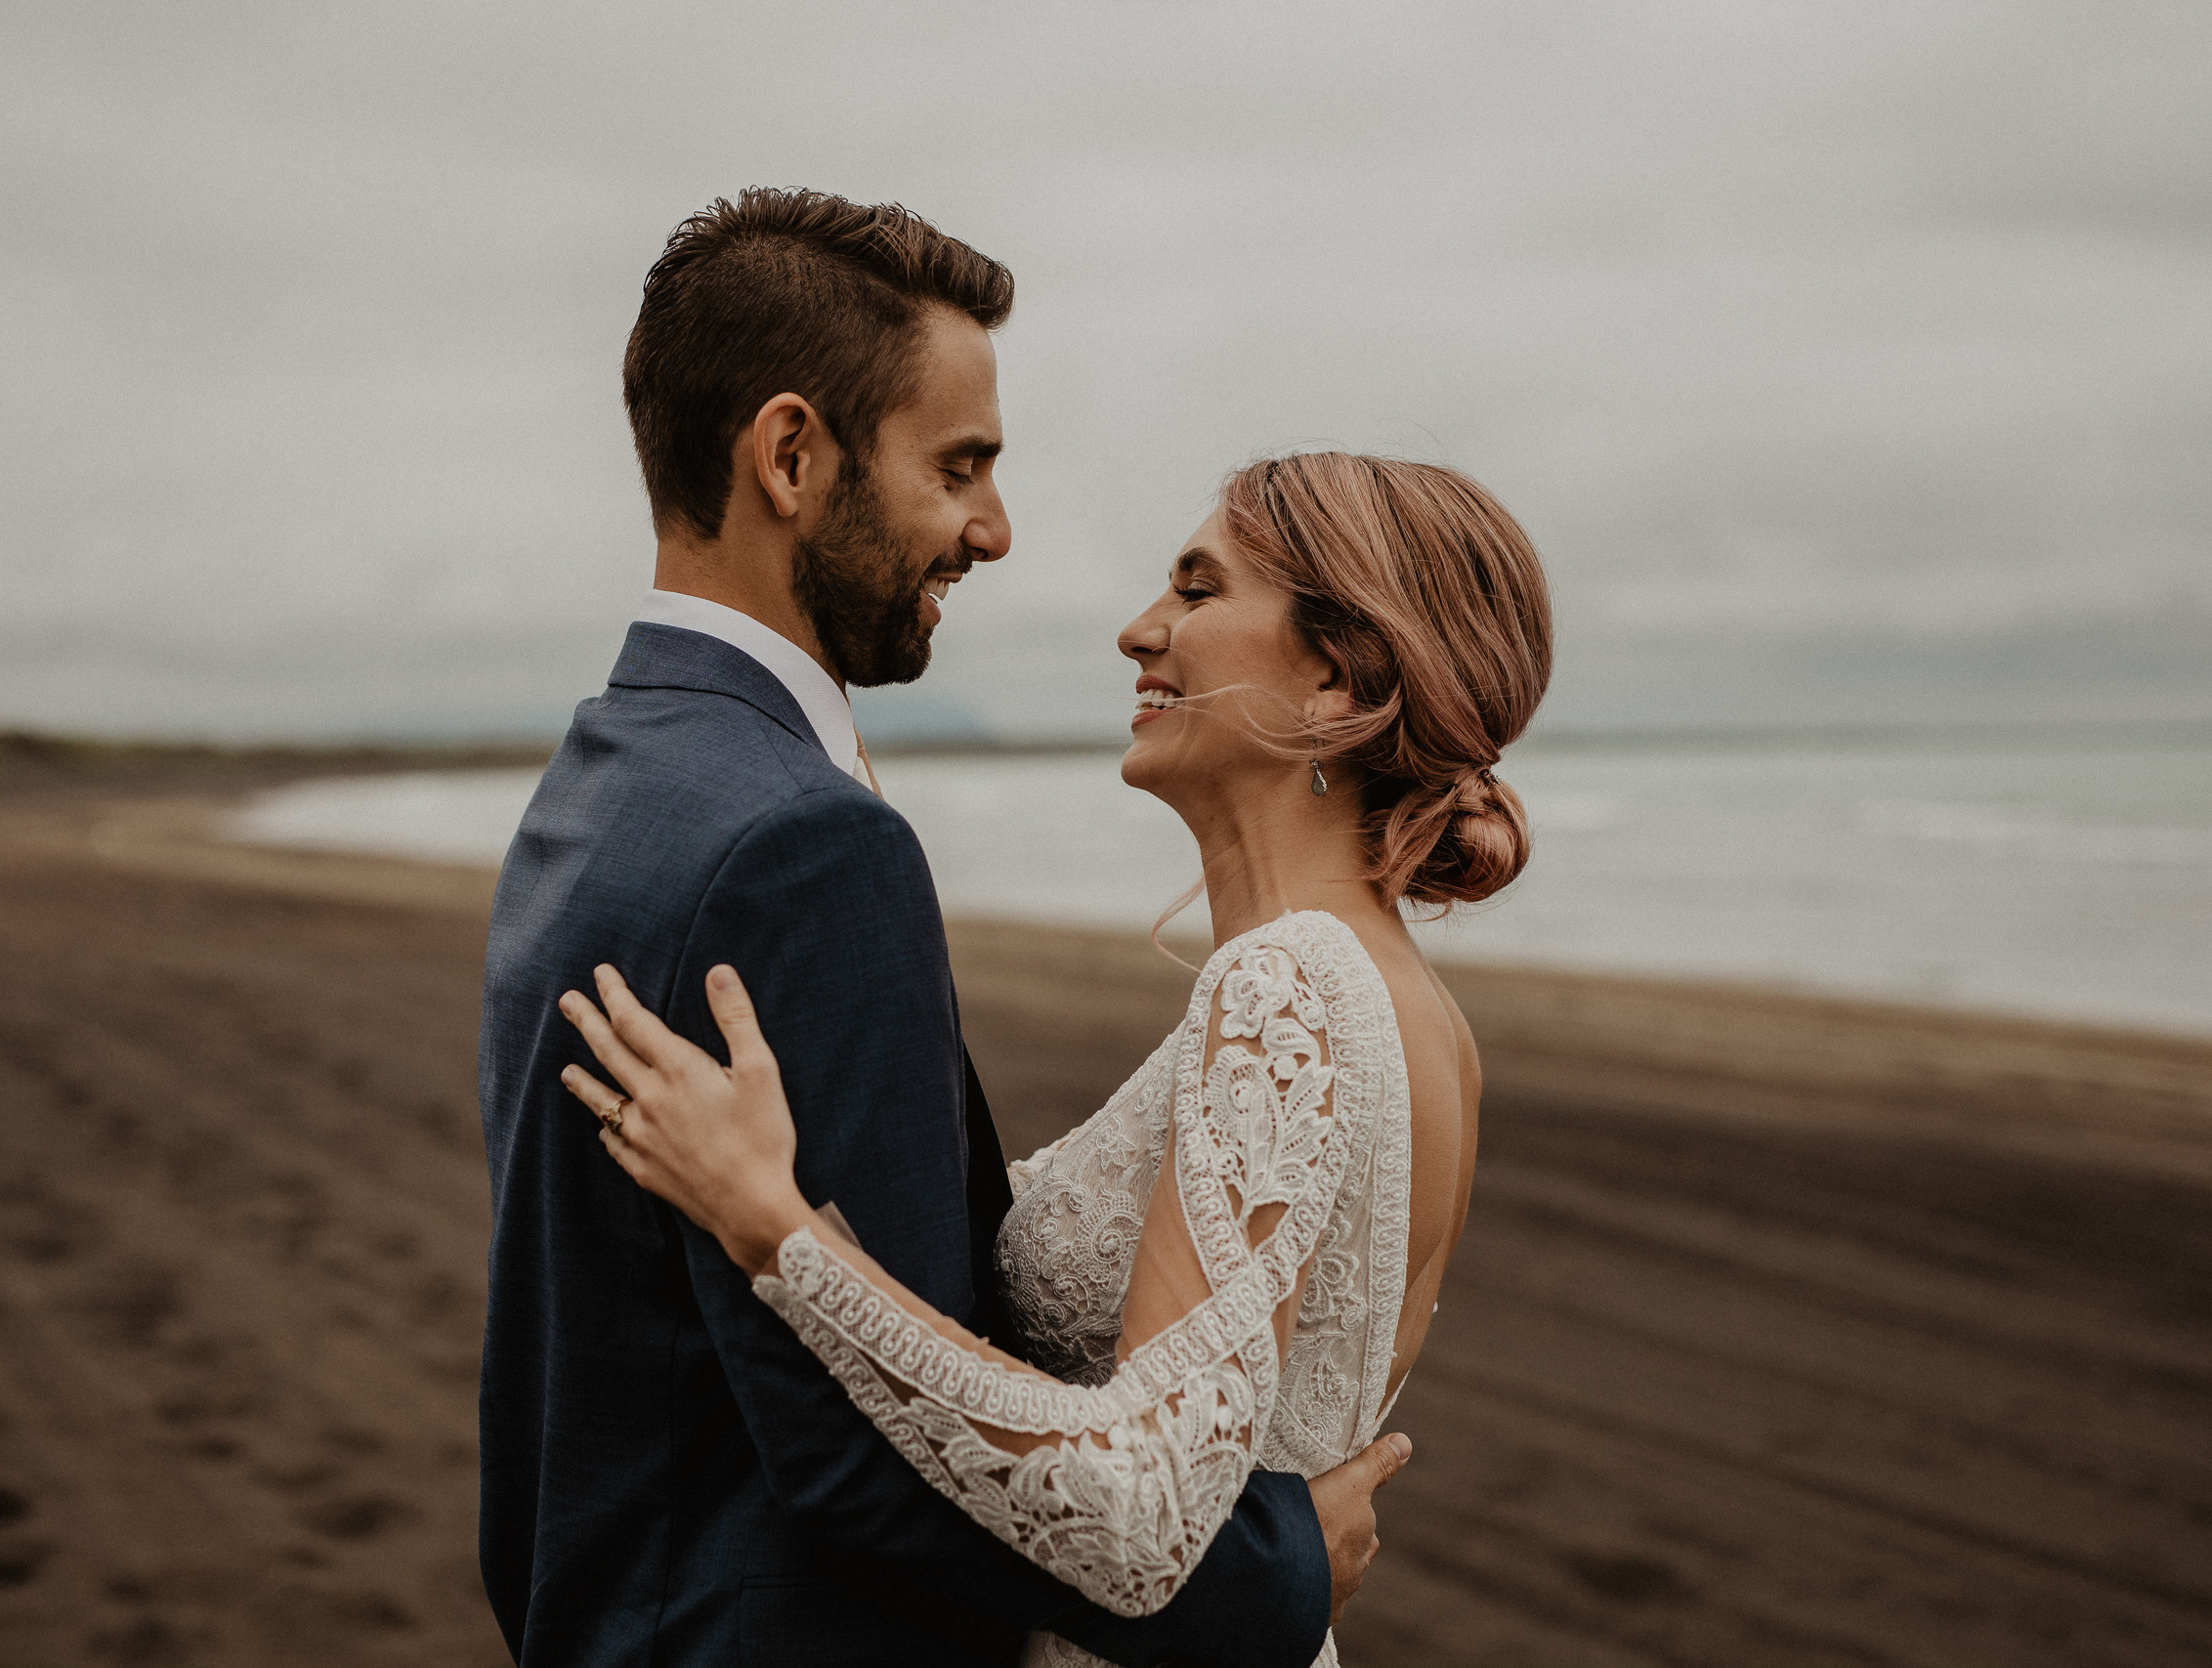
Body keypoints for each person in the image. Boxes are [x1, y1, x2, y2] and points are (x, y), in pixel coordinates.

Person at [478, 189, 1405, 1668]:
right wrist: (1278, 1570)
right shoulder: (802, 845)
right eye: (958, 464)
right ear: (791, 454)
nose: (994, 527)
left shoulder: (603, 786)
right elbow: (865, 1448)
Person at [559, 449, 1554, 1667]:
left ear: (1337, 669)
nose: (1139, 629)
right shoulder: (1405, 1003)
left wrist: (775, 1227)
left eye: (1196, 591)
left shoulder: (1290, 985)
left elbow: (1143, 1513)